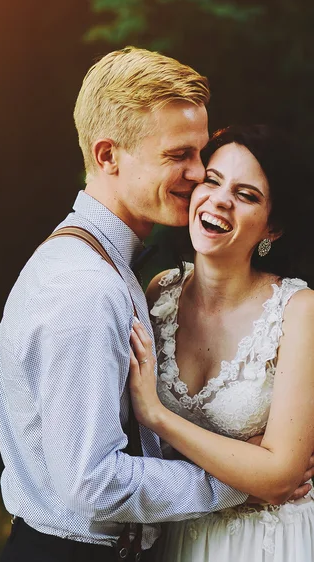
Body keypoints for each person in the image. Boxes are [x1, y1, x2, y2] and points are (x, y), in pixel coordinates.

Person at [0, 47, 313, 561]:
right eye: (178, 156)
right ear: (107, 156)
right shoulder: (87, 288)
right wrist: (237, 486)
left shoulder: (121, 273)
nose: (197, 173)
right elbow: (93, 482)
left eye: (199, 154)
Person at [129, 124, 314, 561]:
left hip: (266, 543)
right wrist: (241, 476)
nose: (220, 200)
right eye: (212, 181)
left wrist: (157, 416)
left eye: (247, 195)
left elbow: (280, 476)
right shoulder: (160, 292)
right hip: (179, 534)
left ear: (273, 228)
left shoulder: (299, 310)